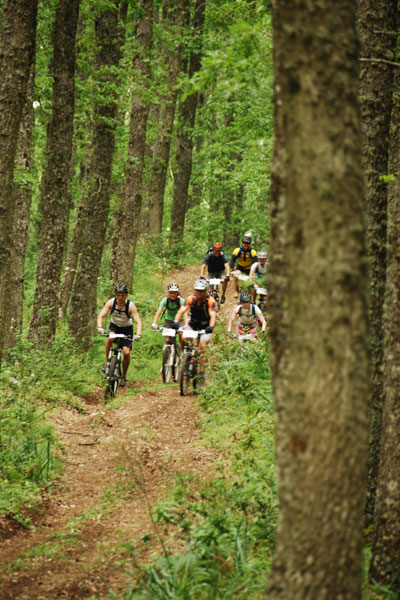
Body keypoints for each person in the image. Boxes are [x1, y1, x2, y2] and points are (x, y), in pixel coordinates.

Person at [172, 278, 217, 381]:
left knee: (202, 346)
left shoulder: (210, 300)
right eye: (197, 290)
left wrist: (211, 327)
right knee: (183, 336)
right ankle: (185, 355)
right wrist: (176, 322)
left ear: (206, 291)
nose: (199, 293)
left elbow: (213, 315)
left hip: (206, 326)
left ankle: (201, 371)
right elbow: (181, 311)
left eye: (201, 291)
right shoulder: (190, 299)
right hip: (193, 323)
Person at [97, 284, 142, 387]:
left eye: (122, 295)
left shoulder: (130, 306)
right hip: (115, 326)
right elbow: (101, 316)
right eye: (118, 295)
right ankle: (107, 363)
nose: (120, 297)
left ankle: (124, 376)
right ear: (116, 295)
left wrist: (138, 334)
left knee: (126, 353)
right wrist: (100, 327)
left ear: (126, 295)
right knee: (110, 338)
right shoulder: (111, 303)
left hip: (127, 329)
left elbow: (138, 321)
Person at [151, 283, 187, 348]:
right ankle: (167, 353)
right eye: (171, 292)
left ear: (177, 293)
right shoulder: (165, 300)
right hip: (169, 321)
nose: (172, 294)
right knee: (167, 340)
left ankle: (182, 351)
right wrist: (154, 323)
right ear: (168, 293)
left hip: (180, 320)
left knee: (181, 334)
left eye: (174, 293)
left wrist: (186, 324)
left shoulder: (181, 301)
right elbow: (159, 312)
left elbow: (185, 313)